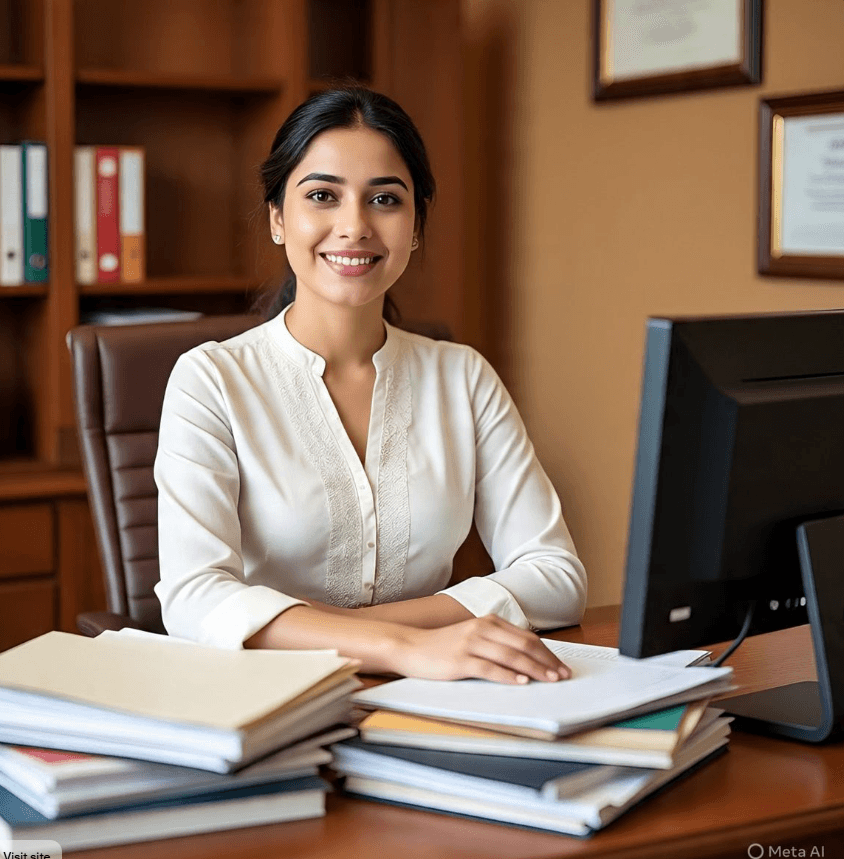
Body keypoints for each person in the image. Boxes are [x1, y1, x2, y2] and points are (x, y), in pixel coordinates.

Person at [154, 84, 587, 685]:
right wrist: (403, 646)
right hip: (265, 701)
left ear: (415, 228)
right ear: (279, 219)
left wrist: (386, 635)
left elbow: (556, 576)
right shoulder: (211, 381)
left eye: (385, 198)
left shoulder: (462, 377)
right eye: (322, 196)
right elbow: (195, 599)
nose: (354, 226)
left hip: (439, 693)